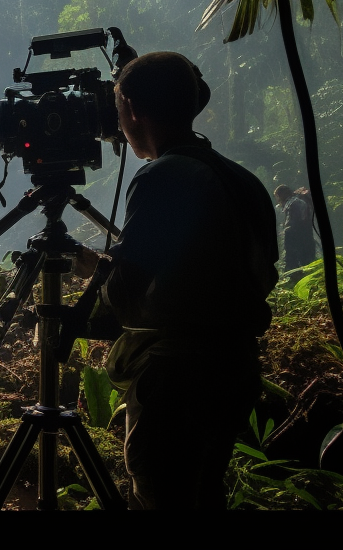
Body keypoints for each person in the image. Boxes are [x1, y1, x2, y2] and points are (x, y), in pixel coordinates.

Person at [72, 51, 277, 510]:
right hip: (235, 366)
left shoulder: (161, 176)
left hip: (178, 378)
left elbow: (127, 296)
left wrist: (96, 281)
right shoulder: (243, 180)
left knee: (163, 495)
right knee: (202, 493)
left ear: (131, 108)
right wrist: (102, 266)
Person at [273, 184, 315, 275]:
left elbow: (292, 224)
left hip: (297, 239)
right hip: (307, 237)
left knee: (300, 264)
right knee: (308, 263)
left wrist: (285, 234)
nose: (277, 199)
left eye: (277, 196)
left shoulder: (292, 203)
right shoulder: (298, 201)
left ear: (281, 195)